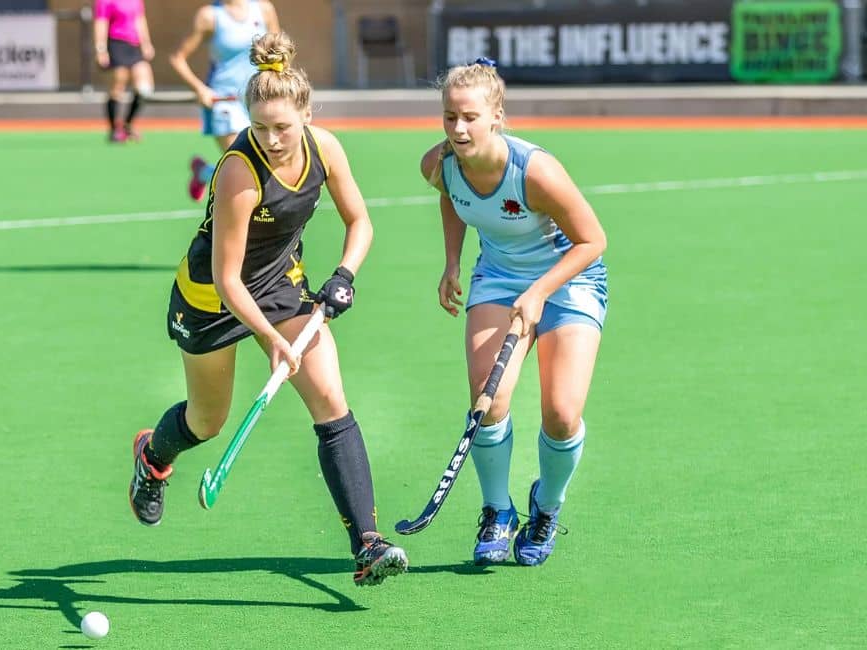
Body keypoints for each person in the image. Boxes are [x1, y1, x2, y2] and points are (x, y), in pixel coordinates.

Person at [128, 32, 408, 587]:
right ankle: (152, 458)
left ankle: (367, 545)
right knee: (207, 421)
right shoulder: (238, 170)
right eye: (261, 127)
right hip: (212, 298)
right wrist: (275, 340)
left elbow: (361, 223)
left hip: (280, 283)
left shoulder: (324, 148)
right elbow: (229, 279)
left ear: (305, 113)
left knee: (330, 398)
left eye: (283, 126)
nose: (273, 139)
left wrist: (344, 275)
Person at [418, 58, 608, 567]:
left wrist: (541, 290)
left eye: (470, 117)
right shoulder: (438, 164)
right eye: (449, 117)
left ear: (497, 115)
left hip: (569, 279)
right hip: (499, 278)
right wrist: (452, 262)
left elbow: (593, 241)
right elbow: (450, 198)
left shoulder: (535, 170)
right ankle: (497, 511)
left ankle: (545, 507)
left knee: (562, 413)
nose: (459, 128)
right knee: (489, 400)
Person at [167, 0, 280, 201]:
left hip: (258, 99)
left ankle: (204, 172)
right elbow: (177, 58)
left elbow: (278, 53)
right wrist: (200, 89)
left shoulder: (264, 9)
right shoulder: (209, 16)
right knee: (243, 167)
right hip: (224, 101)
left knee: (263, 166)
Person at [93, 0, 156, 143]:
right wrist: (101, 49)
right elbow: (101, 23)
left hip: (133, 45)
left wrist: (146, 43)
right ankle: (114, 130)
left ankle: (127, 124)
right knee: (118, 85)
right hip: (116, 43)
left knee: (144, 86)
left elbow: (140, 19)